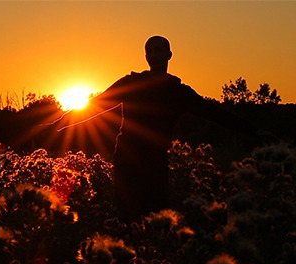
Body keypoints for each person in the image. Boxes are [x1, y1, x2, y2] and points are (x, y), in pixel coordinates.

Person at [58, 35, 263, 222]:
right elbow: (96, 105)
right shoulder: (131, 83)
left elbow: (216, 114)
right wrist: (57, 124)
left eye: (159, 50)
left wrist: (254, 131)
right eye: (150, 51)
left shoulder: (178, 92)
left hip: (155, 161)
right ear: (146, 56)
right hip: (127, 161)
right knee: (128, 216)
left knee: (156, 216)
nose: (154, 55)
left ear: (169, 55)